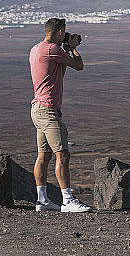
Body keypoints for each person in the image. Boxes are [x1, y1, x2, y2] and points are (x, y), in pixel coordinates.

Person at [29, 17, 93, 212]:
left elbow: (57, 74)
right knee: (63, 155)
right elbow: (79, 65)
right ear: (59, 32)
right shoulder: (53, 49)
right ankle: (67, 201)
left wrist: (64, 51)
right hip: (48, 110)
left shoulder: (36, 49)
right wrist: (73, 48)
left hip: (38, 109)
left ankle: (42, 201)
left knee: (43, 155)